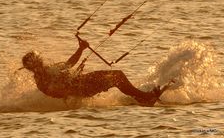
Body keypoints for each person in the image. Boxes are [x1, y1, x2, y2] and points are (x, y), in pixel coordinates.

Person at [19, 38, 170, 107]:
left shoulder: (47, 70)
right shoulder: (42, 81)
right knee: (117, 77)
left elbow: (68, 64)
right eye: (39, 60)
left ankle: (141, 97)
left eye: (40, 58)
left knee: (118, 75)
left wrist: (80, 49)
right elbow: (61, 91)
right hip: (82, 87)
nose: (42, 60)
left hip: (82, 82)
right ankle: (144, 98)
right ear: (34, 65)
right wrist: (72, 83)